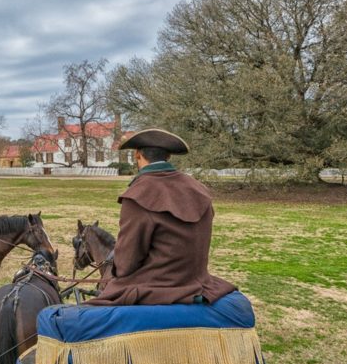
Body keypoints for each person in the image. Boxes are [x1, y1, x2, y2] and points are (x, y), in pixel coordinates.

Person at [87, 128, 236, 306]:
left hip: (155, 289)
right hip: (200, 283)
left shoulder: (138, 195)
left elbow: (126, 264)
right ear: (168, 157)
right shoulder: (198, 188)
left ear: (137, 155)